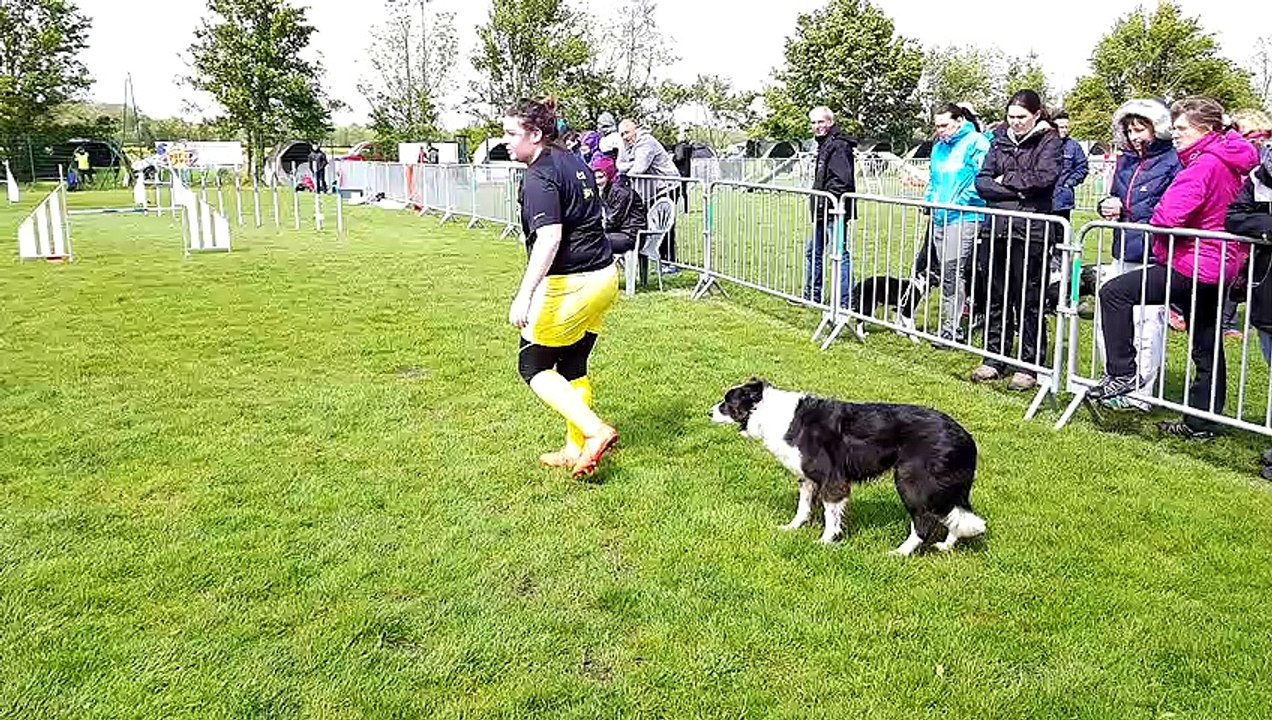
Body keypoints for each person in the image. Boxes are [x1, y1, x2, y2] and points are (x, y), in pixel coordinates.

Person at [1088, 96, 1259, 440]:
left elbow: (1169, 215)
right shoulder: (1224, 159)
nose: (1175, 134)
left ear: (1206, 129)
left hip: (1195, 263)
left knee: (1114, 293)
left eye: (1181, 128)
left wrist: (1158, 216)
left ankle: (1122, 372)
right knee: (1206, 342)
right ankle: (1202, 423)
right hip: (1216, 262)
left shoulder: (1205, 164)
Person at [504, 96, 620, 477]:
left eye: (511, 133)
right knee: (572, 364)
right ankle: (575, 449)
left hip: (573, 283)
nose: (505, 140)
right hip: (605, 277)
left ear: (535, 134)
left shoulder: (539, 176)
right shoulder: (573, 159)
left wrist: (525, 293)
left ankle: (594, 430)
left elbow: (549, 238)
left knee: (533, 365)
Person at [1092, 99, 1183, 411]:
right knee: (1111, 322)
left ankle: (1140, 394)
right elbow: (1114, 194)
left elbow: (1172, 207)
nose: (1134, 136)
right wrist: (1106, 204)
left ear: (1157, 128)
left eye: (1140, 129)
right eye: (1129, 130)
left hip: (1153, 253)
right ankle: (1115, 379)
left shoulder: (1173, 161)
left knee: (1146, 325)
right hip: (1123, 248)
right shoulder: (1126, 161)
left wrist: (1136, 214)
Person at [970, 90, 1063, 391]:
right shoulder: (999, 140)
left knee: (1029, 299)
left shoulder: (1049, 142)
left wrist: (1005, 182)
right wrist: (1017, 188)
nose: (1016, 122)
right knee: (996, 296)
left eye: (1022, 117)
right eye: (1011, 117)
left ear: (1036, 115)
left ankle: (1029, 362)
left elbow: (1044, 180)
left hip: (1031, 230)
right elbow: (982, 182)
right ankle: (994, 355)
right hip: (996, 227)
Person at [924, 103, 990, 344]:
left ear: (959, 120)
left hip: (965, 216)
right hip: (940, 216)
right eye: (937, 126)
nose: (940, 130)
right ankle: (953, 323)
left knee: (953, 271)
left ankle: (952, 329)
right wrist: (929, 201)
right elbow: (934, 179)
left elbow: (983, 179)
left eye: (944, 125)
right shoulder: (939, 147)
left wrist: (960, 202)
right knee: (946, 272)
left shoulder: (977, 142)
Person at [804, 106, 856, 307]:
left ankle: (846, 301)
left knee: (839, 254)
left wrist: (829, 203)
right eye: (814, 123)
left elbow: (841, 181)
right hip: (822, 210)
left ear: (830, 122)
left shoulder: (839, 145)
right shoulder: (825, 144)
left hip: (834, 211)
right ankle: (812, 296)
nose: (817, 126)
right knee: (813, 252)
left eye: (821, 122)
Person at [616, 119, 681, 265]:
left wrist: (631, 166)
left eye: (627, 132)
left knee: (663, 223)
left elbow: (639, 168)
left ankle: (669, 262)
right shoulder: (623, 144)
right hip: (649, 190)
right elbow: (619, 166)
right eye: (622, 134)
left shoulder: (647, 142)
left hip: (667, 186)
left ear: (635, 130)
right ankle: (651, 257)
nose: (625, 137)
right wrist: (632, 164)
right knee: (648, 223)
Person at [591, 153, 645, 255]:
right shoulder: (607, 190)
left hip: (631, 235)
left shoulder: (620, 192)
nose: (597, 182)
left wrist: (593, 230)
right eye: (595, 178)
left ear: (609, 175)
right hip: (620, 232)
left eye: (600, 177)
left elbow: (613, 220)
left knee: (592, 241)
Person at [1051, 110, 1089, 224]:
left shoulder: (1073, 146)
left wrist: (1069, 182)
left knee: (1061, 237)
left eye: (1066, 127)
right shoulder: (1042, 145)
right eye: (1060, 127)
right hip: (1042, 200)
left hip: (1062, 201)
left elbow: (1082, 168)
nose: (1064, 130)